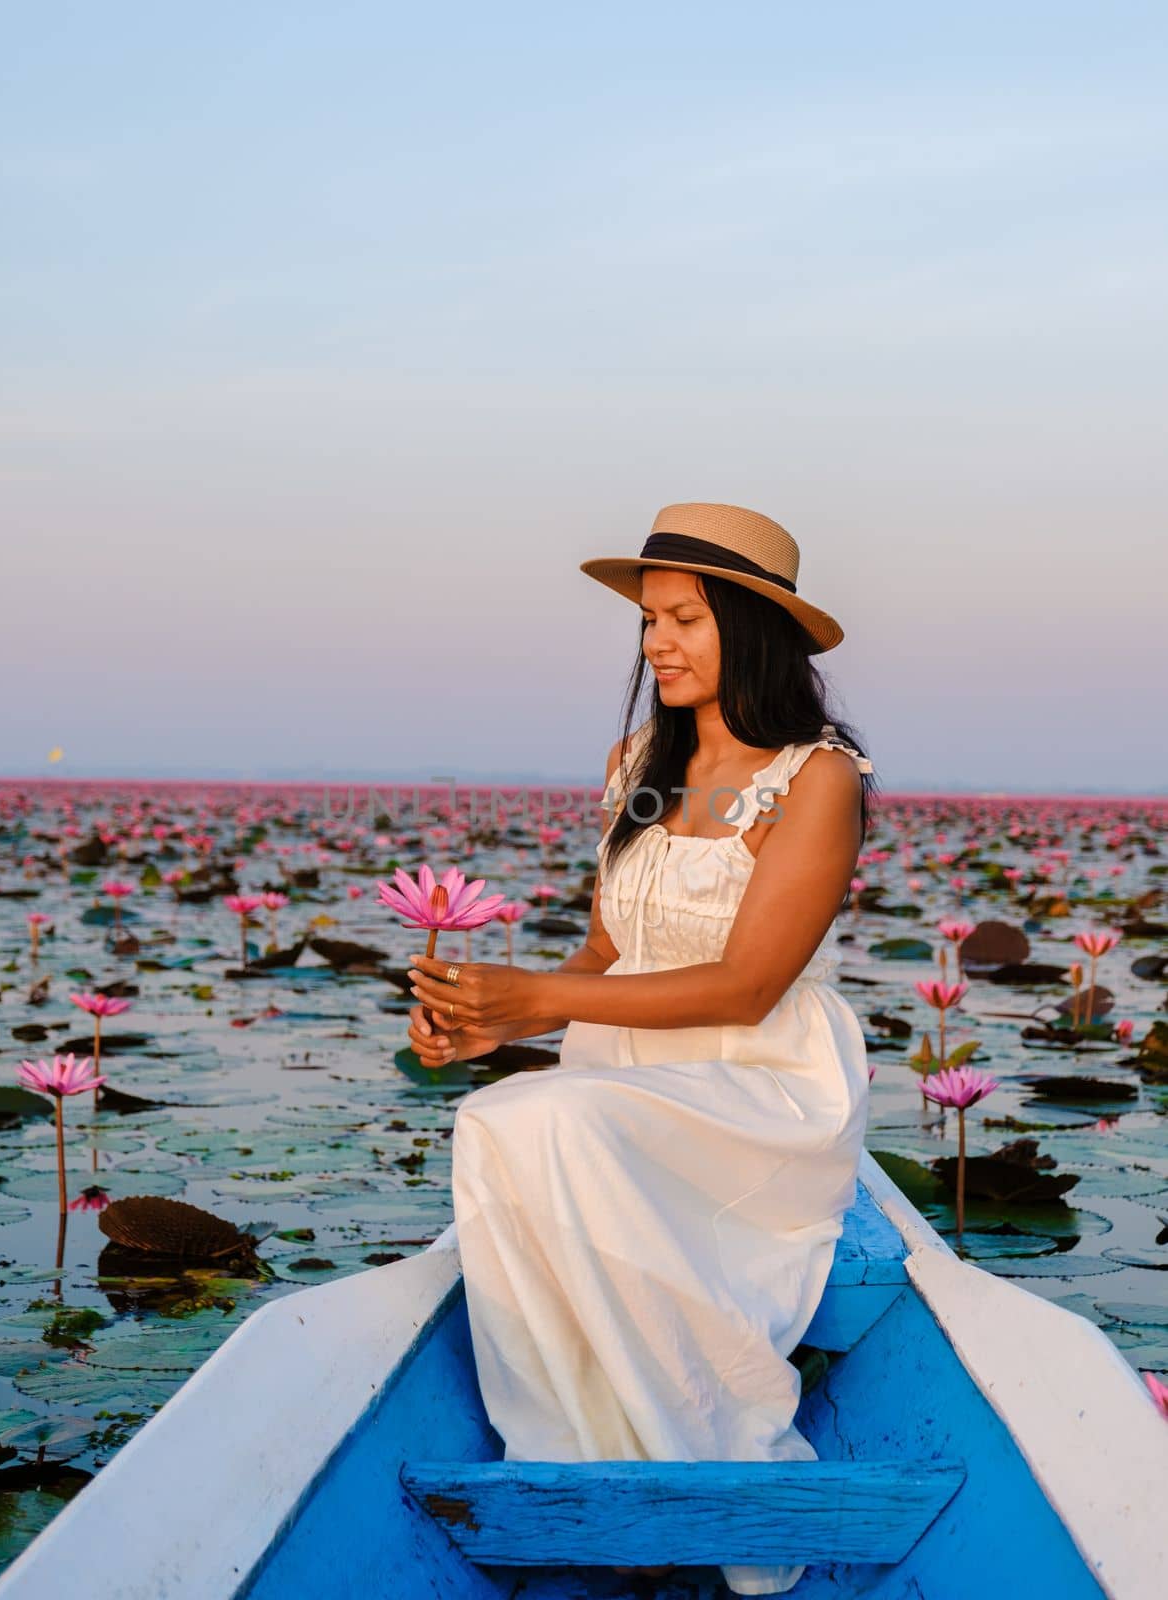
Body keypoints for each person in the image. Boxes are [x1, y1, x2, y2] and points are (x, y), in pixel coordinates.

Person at [405, 501, 875, 1596]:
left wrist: (537, 996)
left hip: (755, 1080)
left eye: (683, 620)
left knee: (553, 1121)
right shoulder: (638, 764)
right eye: (649, 621)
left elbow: (750, 982)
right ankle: (577, 1453)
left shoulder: (816, 778)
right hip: (622, 1065)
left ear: (752, 628)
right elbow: (610, 949)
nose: (655, 642)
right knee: (493, 1118)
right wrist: (485, 1020)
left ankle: (705, 1463)